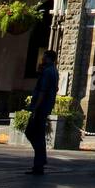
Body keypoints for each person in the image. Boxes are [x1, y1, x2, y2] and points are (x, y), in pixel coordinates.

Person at [24, 48, 59, 176]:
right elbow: (55, 88)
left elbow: (42, 91)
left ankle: (40, 160)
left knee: (31, 132)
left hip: (41, 107)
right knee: (38, 134)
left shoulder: (47, 71)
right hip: (46, 106)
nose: (42, 59)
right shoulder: (54, 71)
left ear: (49, 58)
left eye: (44, 57)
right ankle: (40, 162)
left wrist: (35, 107)